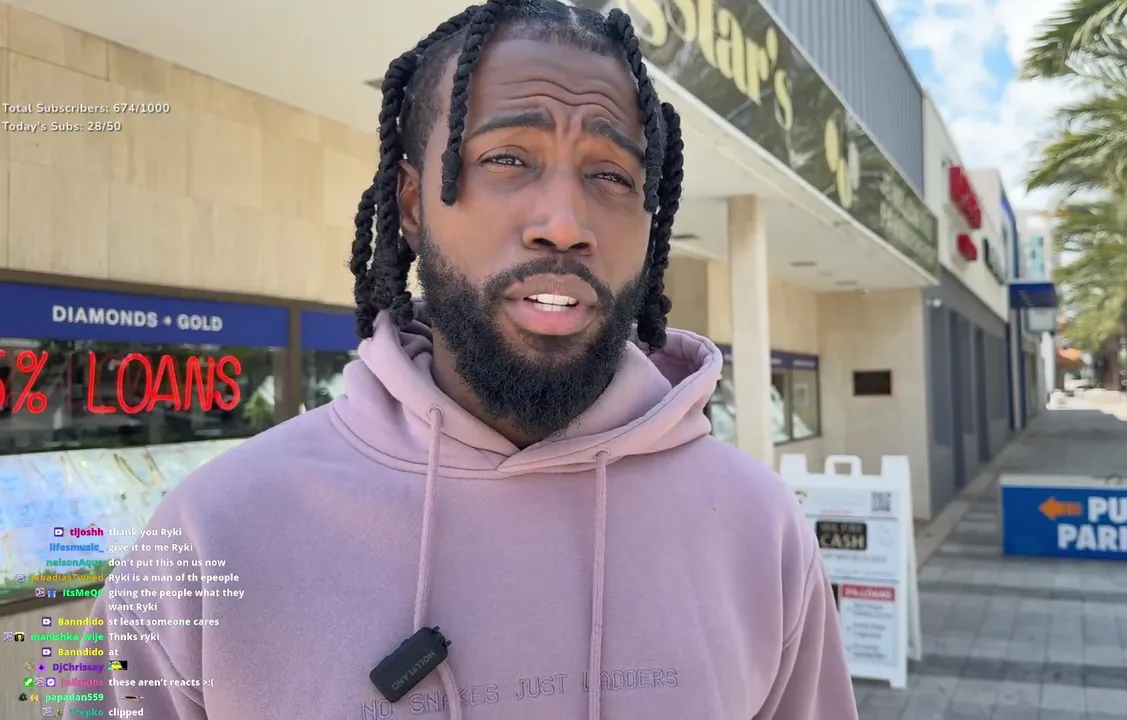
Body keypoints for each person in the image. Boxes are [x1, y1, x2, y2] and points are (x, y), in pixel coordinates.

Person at [63, 2, 858, 719]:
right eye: (508, 158)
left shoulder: (760, 531)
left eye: (612, 174)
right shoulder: (209, 537)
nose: (564, 223)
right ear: (412, 206)